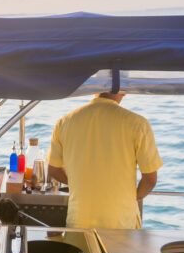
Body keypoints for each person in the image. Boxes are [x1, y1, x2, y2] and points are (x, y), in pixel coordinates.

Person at [46, 92, 163, 229]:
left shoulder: (65, 122)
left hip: (79, 221)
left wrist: (78, 182)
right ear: (124, 92)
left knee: (80, 251)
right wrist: (135, 197)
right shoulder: (138, 123)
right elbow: (150, 179)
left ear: (95, 89)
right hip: (121, 222)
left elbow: (53, 170)